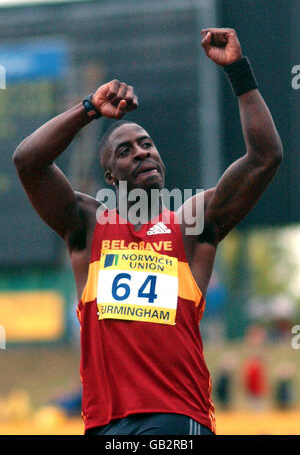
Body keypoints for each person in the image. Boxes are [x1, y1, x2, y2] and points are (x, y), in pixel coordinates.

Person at [13, 28, 283, 435]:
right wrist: (89, 108)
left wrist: (239, 73)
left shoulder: (191, 226)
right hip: (104, 424)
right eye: (125, 150)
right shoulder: (87, 225)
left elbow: (265, 157)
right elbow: (28, 162)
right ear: (108, 175)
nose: (142, 151)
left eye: (147, 144)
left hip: (176, 419)